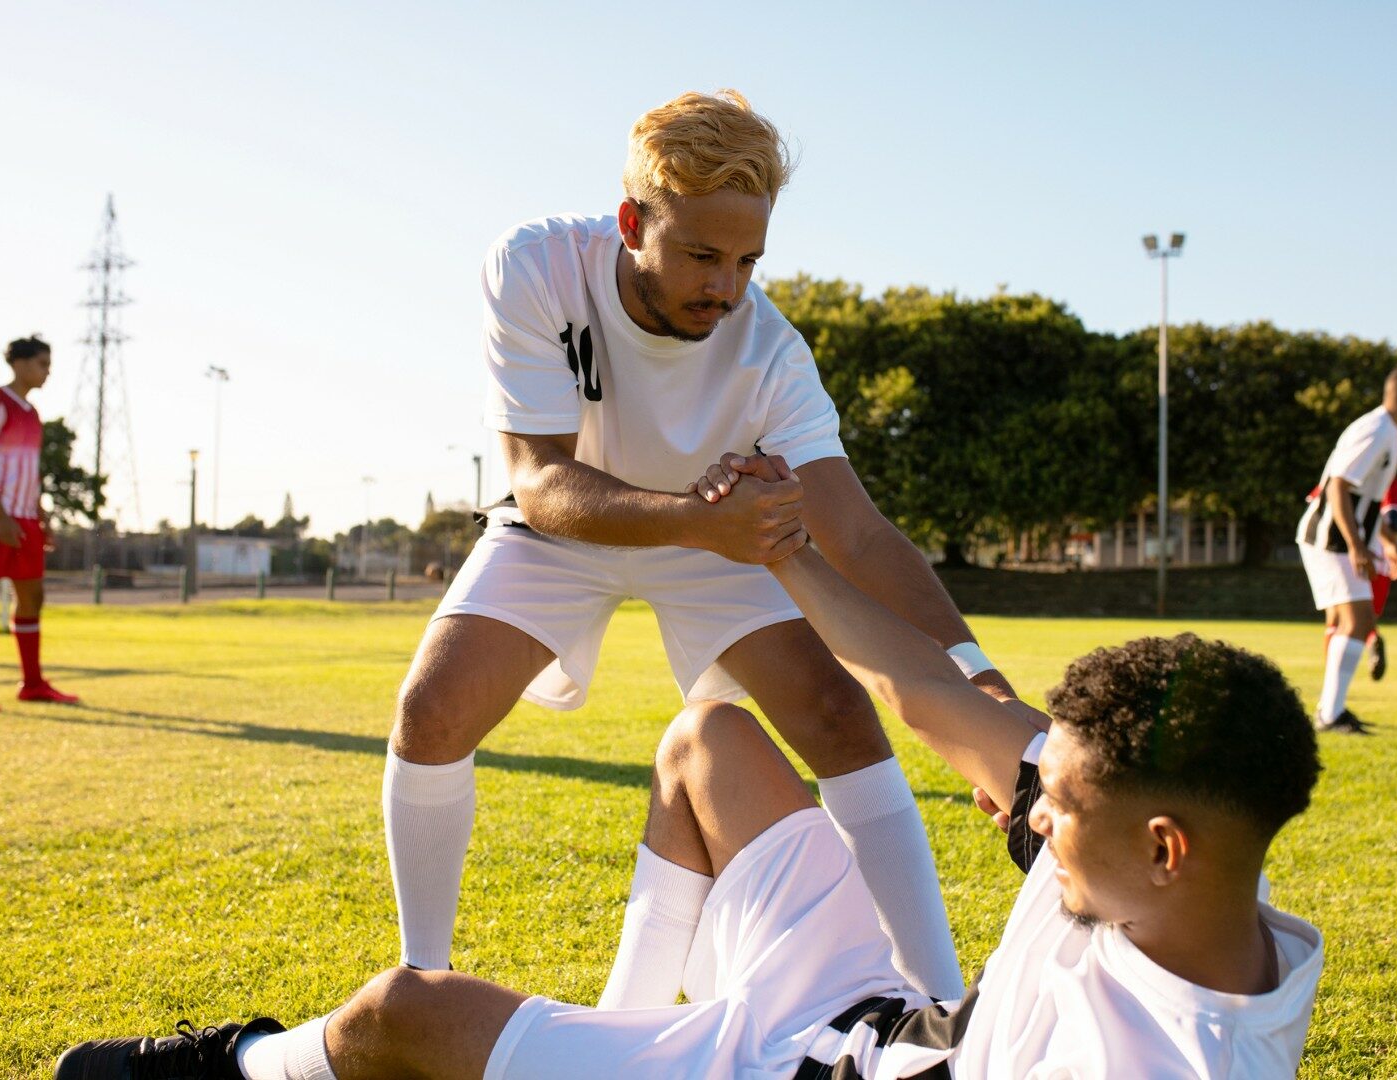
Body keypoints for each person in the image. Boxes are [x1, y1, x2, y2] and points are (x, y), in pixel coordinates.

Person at [53, 456, 1326, 1080]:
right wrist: (782, 553)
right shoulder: (1157, 863)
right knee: (711, 739)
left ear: (1162, 848)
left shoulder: (1172, 1064)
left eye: (1057, 810)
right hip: (889, 1026)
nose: (1025, 810)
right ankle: (625, 1027)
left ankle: (232, 1070)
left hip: (802, 1074)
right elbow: (927, 690)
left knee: (407, 1011)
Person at [382, 89, 1010, 1001]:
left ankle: (937, 1003)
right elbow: (540, 482)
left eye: (748, 260)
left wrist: (978, 681)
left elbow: (859, 533)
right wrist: (688, 515)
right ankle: (422, 984)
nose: (725, 287)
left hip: (711, 542)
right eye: (702, 255)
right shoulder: (535, 264)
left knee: (839, 719)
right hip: (570, 518)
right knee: (431, 710)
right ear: (634, 222)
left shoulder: (771, 354)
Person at [1296, 365, 1397, 733]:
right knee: (1357, 621)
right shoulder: (1376, 430)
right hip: (1329, 538)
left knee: (1358, 621)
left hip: (1341, 539)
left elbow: (1367, 502)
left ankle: (1331, 710)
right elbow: (1337, 487)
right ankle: (1330, 714)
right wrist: (1356, 545)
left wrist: (1388, 543)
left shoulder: (1389, 432)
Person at [0, 335, 79, 712]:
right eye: (42, 364)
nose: (47, 372)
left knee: (32, 594)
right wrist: (0, 513)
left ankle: (32, 683)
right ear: (20, 364)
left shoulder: (31, 412)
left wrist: (40, 515)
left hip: (23, 516)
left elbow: (28, 470)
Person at [1314, 477, 1397, 681]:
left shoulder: (1345, 470)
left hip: (1347, 553)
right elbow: (1393, 521)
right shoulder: (1386, 475)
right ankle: (1372, 638)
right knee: (1362, 619)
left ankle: (1332, 685)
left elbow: (1319, 504)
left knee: (1337, 619)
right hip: (1378, 561)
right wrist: (1391, 545)